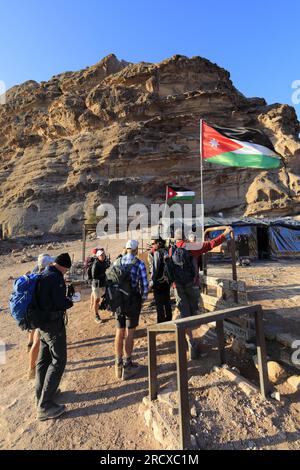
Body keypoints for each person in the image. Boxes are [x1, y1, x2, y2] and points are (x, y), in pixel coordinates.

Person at [167, 227, 230, 359]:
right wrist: (224, 234)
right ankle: (192, 339)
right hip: (191, 285)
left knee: (184, 314)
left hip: (177, 286)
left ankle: (189, 340)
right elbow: (210, 244)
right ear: (184, 237)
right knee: (196, 312)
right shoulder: (191, 247)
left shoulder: (171, 249)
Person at [34, 253, 73, 421]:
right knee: (59, 361)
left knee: (43, 360)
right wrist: (71, 300)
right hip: (53, 325)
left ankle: (41, 394)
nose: (65, 273)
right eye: (66, 270)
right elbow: (60, 303)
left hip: (42, 324)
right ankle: (45, 406)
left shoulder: (43, 273)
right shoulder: (55, 278)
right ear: (63, 266)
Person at [112, 240, 148, 380]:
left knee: (119, 332)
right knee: (130, 333)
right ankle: (127, 365)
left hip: (119, 303)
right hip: (132, 302)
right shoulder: (138, 263)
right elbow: (144, 286)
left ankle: (118, 364)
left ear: (126, 249)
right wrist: (142, 300)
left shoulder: (117, 262)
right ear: (136, 249)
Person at [28, 254, 54, 380]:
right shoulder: (45, 278)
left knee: (35, 339)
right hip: (41, 315)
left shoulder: (34, 272)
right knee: (38, 341)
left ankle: (32, 366)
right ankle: (32, 369)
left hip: (33, 312)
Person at [148, 237, 172, 323]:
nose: (152, 246)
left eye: (153, 244)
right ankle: (169, 319)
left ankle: (161, 321)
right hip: (166, 281)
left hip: (159, 282)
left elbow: (155, 269)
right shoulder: (166, 251)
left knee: (159, 303)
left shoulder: (157, 253)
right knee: (167, 301)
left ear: (158, 243)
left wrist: (151, 282)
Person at [91, 249, 110, 324]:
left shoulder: (105, 262)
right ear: (98, 256)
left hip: (103, 284)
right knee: (97, 300)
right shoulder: (96, 264)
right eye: (101, 255)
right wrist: (104, 274)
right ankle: (96, 315)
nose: (103, 256)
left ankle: (108, 308)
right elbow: (94, 276)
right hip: (97, 285)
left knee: (108, 297)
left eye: (103, 255)